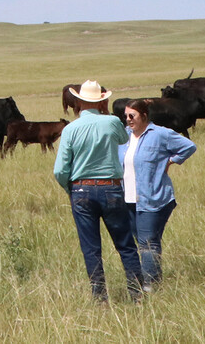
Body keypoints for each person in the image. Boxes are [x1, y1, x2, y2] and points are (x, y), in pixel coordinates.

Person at [54, 80, 145, 303]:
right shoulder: (112, 122)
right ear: (102, 101)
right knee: (125, 245)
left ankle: (100, 297)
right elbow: (124, 138)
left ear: (78, 101)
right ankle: (137, 294)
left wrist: (71, 188)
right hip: (110, 188)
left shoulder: (70, 129)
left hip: (81, 189)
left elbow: (60, 170)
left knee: (91, 248)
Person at [120, 98, 197, 289]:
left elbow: (189, 147)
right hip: (128, 198)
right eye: (126, 116)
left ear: (144, 116)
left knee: (147, 243)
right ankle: (152, 280)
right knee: (143, 243)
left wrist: (170, 161)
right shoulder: (124, 136)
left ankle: (149, 287)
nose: (128, 120)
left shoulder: (160, 134)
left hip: (153, 197)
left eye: (132, 116)